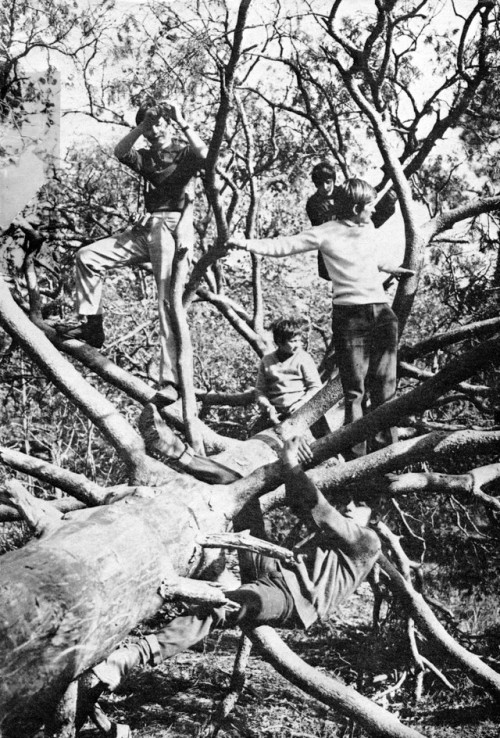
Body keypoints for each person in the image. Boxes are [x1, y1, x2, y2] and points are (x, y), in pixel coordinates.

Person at [77, 437, 380, 733]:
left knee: (219, 606)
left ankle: (132, 657)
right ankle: (178, 452)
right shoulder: (341, 533)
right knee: (240, 488)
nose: (351, 507)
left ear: (375, 516)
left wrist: (291, 463)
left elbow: (321, 510)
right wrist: (292, 466)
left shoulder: (367, 540)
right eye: (349, 500)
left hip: (295, 599)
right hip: (275, 572)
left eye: (361, 503)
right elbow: (301, 499)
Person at [229, 178, 414, 458]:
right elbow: (283, 246)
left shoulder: (367, 229)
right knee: (355, 391)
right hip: (350, 317)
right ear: (354, 207)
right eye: (370, 206)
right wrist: (242, 243)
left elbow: (368, 259)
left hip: (381, 313)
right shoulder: (325, 233)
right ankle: (357, 458)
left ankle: (387, 454)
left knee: (386, 385)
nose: (373, 211)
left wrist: (392, 268)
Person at [57, 100, 207, 404]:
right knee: (87, 256)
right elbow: (120, 151)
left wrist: (178, 119)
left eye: (157, 123)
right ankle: (90, 326)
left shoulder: (182, 149)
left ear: (168, 124)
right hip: (145, 229)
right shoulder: (146, 155)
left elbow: (205, 155)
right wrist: (142, 125)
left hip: (171, 228)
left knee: (167, 302)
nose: (154, 129)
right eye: (148, 125)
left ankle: (171, 381)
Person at [305, 161, 397, 282]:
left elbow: (362, 202)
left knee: (373, 214)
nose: (325, 187)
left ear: (333, 180)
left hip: (353, 234)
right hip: (332, 246)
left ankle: (393, 194)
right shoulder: (313, 203)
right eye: (319, 184)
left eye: (328, 182)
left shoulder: (343, 192)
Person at [253, 316, 326, 437]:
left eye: (299, 340)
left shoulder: (303, 358)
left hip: (302, 408)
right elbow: (260, 391)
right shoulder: (267, 361)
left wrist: (301, 404)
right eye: (292, 341)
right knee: (256, 437)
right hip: (277, 411)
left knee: (323, 437)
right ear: (279, 342)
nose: (298, 344)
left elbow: (315, 387)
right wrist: (267, 407)